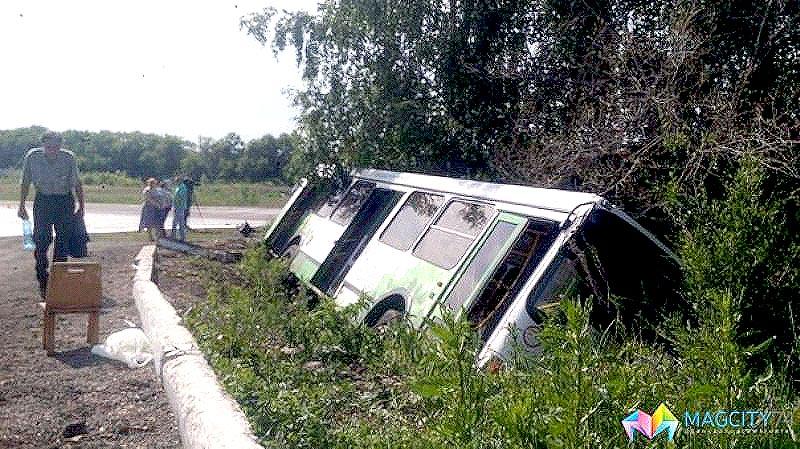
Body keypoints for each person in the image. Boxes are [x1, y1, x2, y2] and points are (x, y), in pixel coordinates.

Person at [18, 131, 85, 298]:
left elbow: (77, 182)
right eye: (49, 147)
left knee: (62, 240)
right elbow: (25, 181)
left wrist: (82, 206)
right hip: (43, 200)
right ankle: (42, 276)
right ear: (43, 145)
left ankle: (58, 279)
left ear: (60, 146)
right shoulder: (32, 157)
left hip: (64, 201)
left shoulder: (68, 157)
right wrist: (21, 205)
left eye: (56, 147)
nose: (52, 150)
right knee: (41, 239)